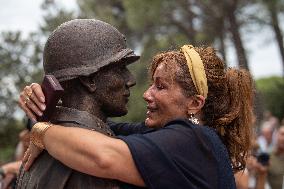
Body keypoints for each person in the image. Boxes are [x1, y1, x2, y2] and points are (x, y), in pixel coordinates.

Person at [19, 45, 255, 188]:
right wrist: (41, 107)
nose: (146, 94)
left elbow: (103, 155)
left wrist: (42, 132)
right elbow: (91, 127)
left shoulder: (195, 141)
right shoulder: (161, 134)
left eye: (160, 87)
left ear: (195, 103)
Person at [16, 19, 139, 189]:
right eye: (120, 69)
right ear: (89, 80)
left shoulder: (46, 140)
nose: (131, 80)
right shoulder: (87, 159)